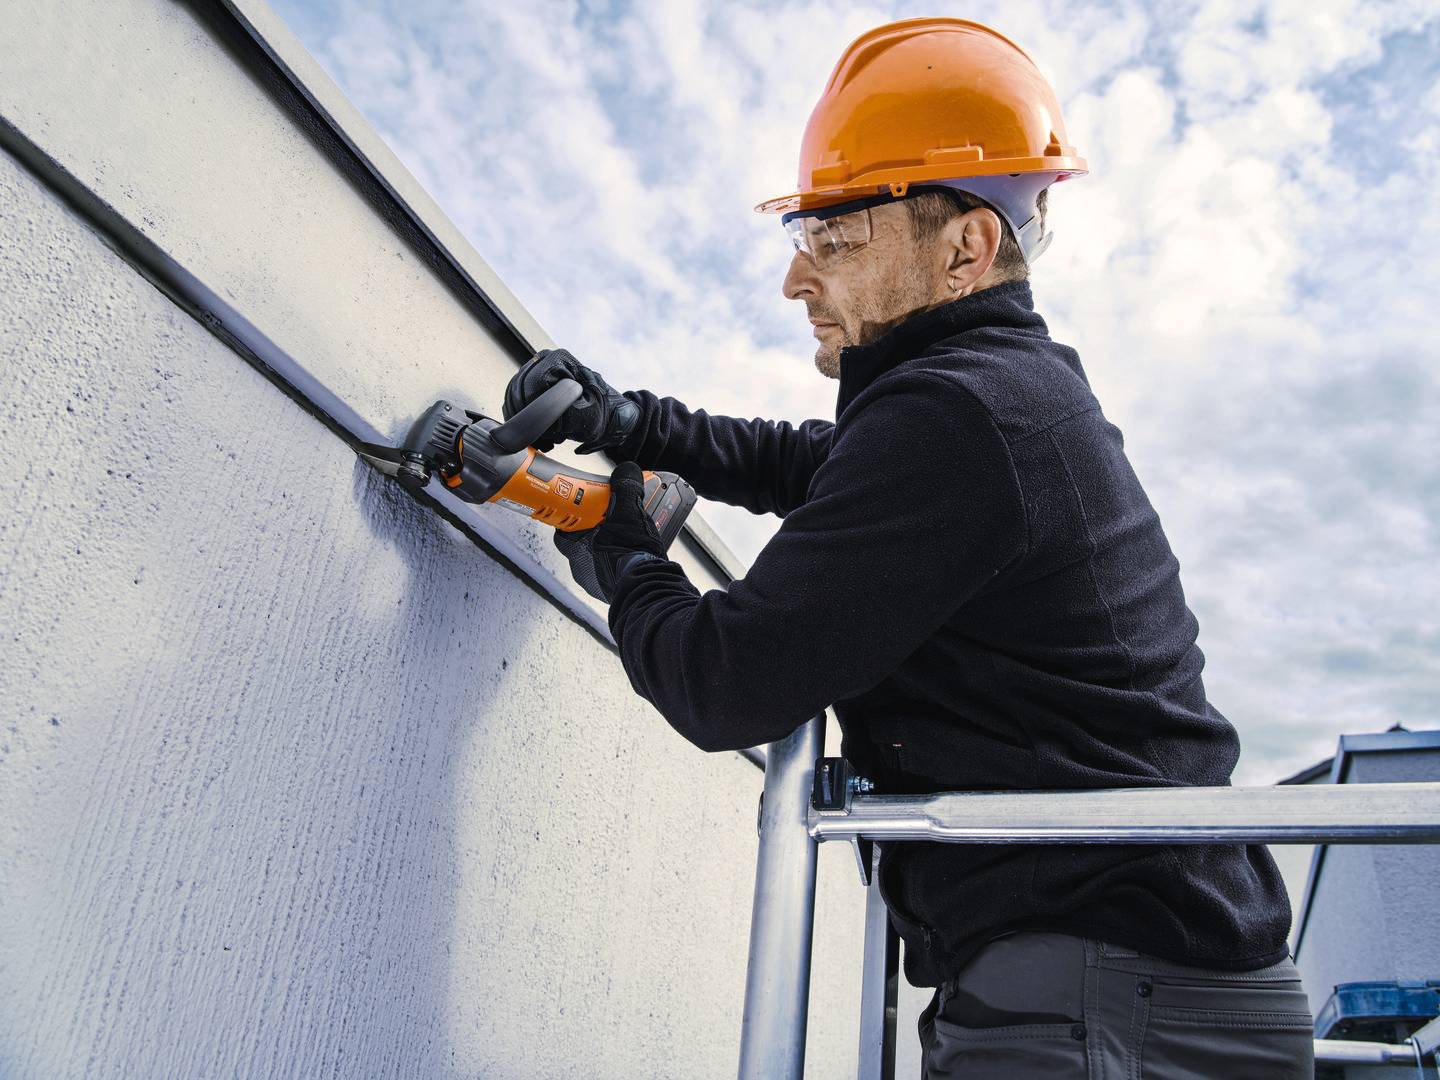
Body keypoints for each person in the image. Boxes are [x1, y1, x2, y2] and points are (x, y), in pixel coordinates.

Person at [502, 17, 1313, 1078]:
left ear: (965, 248)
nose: (798, 281)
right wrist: (631, 423)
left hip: (1110, 997)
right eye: (802, 240)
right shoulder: (988, 399)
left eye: (835, 241)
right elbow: (814, 463)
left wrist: (626, 561)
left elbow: (725, 680)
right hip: (1130, 983)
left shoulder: (965, 420)